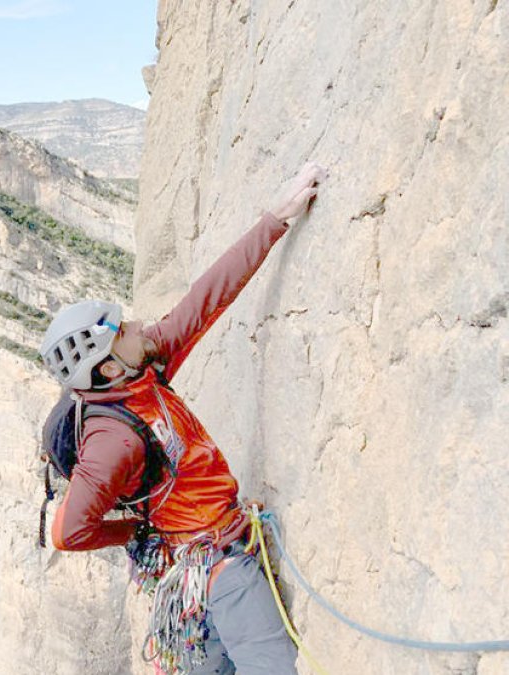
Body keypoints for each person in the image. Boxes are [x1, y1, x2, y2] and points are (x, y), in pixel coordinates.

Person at [38, 162, 328, 674]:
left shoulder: (141, 365)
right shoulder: (113, 441)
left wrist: (276, 219)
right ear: (107, 364)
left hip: (194, 577)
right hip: (218, 567)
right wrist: (132, 532)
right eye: (122, 327)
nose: (138, 324)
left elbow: (205, 300)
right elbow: (66, 534)